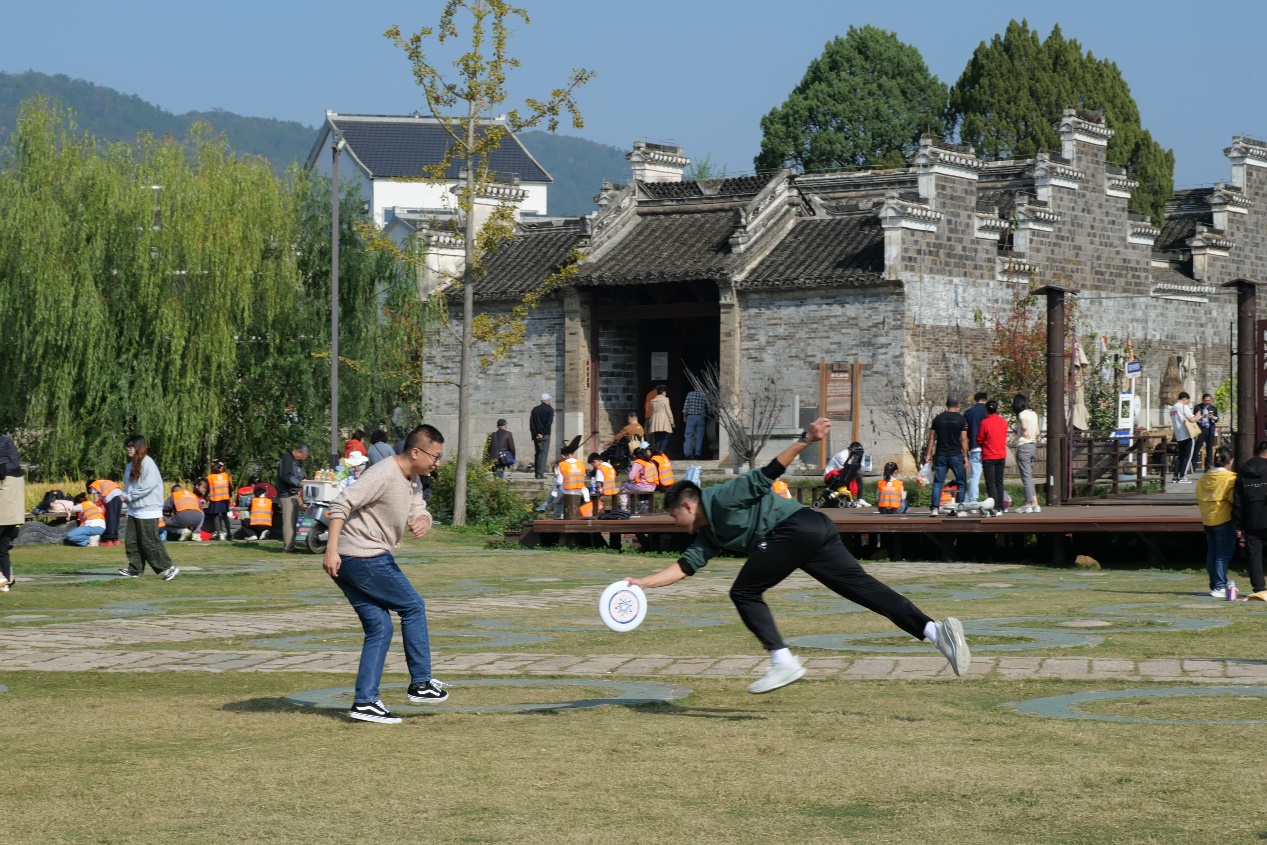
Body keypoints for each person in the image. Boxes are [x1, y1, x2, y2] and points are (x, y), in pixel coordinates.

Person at [624, 417, 969, 694]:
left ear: (687, 505)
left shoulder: (722, 496)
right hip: (811, 531)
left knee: (744, 592)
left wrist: (807, 439)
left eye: (674, 515)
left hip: (794, 529)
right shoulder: (708, 533)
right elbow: (684, 567)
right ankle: (937, 633)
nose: (674, 522)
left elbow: (770, 472)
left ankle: (782, 660)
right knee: (863, 590)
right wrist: (642, 584)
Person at [323, 424, 450, 724]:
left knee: (380, 628)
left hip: (356, 559)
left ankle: (365, 702)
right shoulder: (383, 473)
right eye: (435, 456)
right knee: (413, 606)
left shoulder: (413, 479)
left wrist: (423, 520)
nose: (437, 463)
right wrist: (331, 550)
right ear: (416, 452)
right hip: (361, 556)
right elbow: (341, 504)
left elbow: (419, 507)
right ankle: (421, 682)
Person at [116, 435, 179, 581]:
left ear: (139, 447)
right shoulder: (130, 466)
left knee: (149, 541)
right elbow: (128, 486)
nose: (128, 449)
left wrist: (130, 497)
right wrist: (124, 496)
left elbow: (148, 486)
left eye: (131, 446)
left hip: (148, 509)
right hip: (134, 510)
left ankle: (168, 568)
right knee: (131, 541)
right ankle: (135, 569)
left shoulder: (148, 463)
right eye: (127, 446)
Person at [1196, 446, 1237, 598]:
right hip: (1223, 518)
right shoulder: (1230, 478)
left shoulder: (1203, 478)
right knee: (1223, 555)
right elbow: (1233, 499)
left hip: (1208, 518)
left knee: (1212, 553)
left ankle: (1214, 585)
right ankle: (1220, 586)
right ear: (1230, 461)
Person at [1233, 439, 1267, 599]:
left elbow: (1237, 499)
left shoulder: (1244, 469)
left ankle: (1259, 588)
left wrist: (1238, 524)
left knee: (1254, 554)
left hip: (1251, 517)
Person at [926, 396, 969, 516]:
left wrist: (929, 454)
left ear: (946, 404)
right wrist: (966, 456)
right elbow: (964, 439)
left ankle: (935, 508)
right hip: (956, 455)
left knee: (938, 483)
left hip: (941, 455)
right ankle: (960, 509)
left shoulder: (938, 419)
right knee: (961, 482)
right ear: (958, 405)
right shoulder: (961, 419)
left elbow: (932, 438)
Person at [977, 399, 1008, 516]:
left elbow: (979, 438)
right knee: (999, 482)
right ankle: (1000, 507)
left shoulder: (985, 422)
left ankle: (994, 506)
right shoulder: (1003, 421)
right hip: (1001, 454)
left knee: (991, 483)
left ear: (986, 410)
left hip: (989, 455)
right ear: (996, 409)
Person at [277, 443, 311, 553]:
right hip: (287, 495)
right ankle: (288, 547)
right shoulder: (287, 459)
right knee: (288, 522)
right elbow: (285, 476)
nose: (304, 459)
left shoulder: (297, 462)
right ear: (299, 451)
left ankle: (292, 544)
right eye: (303, 457)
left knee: (294, 521)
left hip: (295, 494)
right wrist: (299, 483)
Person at [1013, 393, 1041, 514]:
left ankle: (1028, 504)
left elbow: (1024, 426)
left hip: (1024, 446)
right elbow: (1038, 432)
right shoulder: (1033, 413)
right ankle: (1035, 504)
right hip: (1033, 446)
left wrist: (1024, 432)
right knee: (1029, 476)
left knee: (1026, 477)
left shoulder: (1022, 414)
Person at [0, 433, 21, 591]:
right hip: (13, 516)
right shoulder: (17, 473)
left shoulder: (4, 473)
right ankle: (6, 580)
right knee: (2, 549)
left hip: (4, 515)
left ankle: (3, 579)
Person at [964, 392, 988, 504]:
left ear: (975, 401)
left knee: (974, 476)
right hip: (989, 448)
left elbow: (964, 432)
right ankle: (996, 501)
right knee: (992, 477)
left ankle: (973, 501)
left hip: (975, 447)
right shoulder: (989, 411)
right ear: (986, 401)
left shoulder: (969, 412)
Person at [88, 477, 125, 546]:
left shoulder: (93, 485)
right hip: (120, 495)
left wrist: (94, 508)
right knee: (116, 518)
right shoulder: (103, 482)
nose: (92, 492)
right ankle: (115, 539)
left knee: (110, 518)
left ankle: (108, 540)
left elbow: (96, 500)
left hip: (111, 496)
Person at [620, 446, 659, 510]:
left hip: (644, 487)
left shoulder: (638, 462)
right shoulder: (650, 462)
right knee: (630, 487)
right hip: (653, 487)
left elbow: (631, 477)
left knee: (624, 487)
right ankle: (632, 507)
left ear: (635, 455)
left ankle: (625, 507)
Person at [1170, 392, 1195, 483]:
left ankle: (1175, 476)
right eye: (1187, 401)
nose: (1187, 403)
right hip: (1187, 434)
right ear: (1184, 399)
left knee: (1180, 456)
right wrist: (1199, 415)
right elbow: (1192, 419)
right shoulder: (1183, 407)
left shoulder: (1172, 408)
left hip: (1178, 435)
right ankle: (1182, 476)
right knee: (1187, 457)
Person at [206, 459, 233, 541]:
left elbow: (208, 489)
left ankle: (217, 535)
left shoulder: (210, 477)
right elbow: (229, 488)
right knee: (225, 516)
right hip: (225, 498)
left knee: (216, 516)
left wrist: (204, 497)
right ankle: (229, 534)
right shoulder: (226, 475)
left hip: (215, 499)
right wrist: (230, 497)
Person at [530, 393, 554, 479]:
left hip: (536, 436)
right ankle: (540, 473)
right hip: (545, 435)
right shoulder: (549, 409)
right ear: (547, 400)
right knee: (543, 454)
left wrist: (536, 433)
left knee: (538, 453)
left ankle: (537, 472)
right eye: (549, 400)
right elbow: (548, 423)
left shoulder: (535, 409)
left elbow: (532, 423)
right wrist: (542, 433)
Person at [1193, 394, 1219, 472]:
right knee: (1197, 447)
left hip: (1209, 429)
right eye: (1206, 400)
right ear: (1203, 400)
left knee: (1209, 448)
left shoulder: (1213, 408)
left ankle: (1207, 466)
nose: (1207, 402)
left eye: (1209, 400)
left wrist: (1212, 417)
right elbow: (1194, 418)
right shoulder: (1198, 407)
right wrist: (1202, 417)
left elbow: (1217, 419)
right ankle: (1193, 465)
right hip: (1201, 429)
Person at [682, 388, 709, 459]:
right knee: (699, 436)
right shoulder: (704, 395)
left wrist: (684, 417)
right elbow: (708, 407)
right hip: (701, 416)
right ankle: (698, 454)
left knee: (688, 435)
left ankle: (688, 454)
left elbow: (685, 407)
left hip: (691, 416)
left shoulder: (690, 394)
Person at [648, 385, 674, 454]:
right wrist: (672, 421)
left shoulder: (652, 401)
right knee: (665, 437)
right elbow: (668, 411)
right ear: (663, 392)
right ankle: (661, 452)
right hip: (664, 420)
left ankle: (656, 452)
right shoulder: (665, 399)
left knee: (657, 438)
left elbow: (651, 412)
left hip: (655, 420)